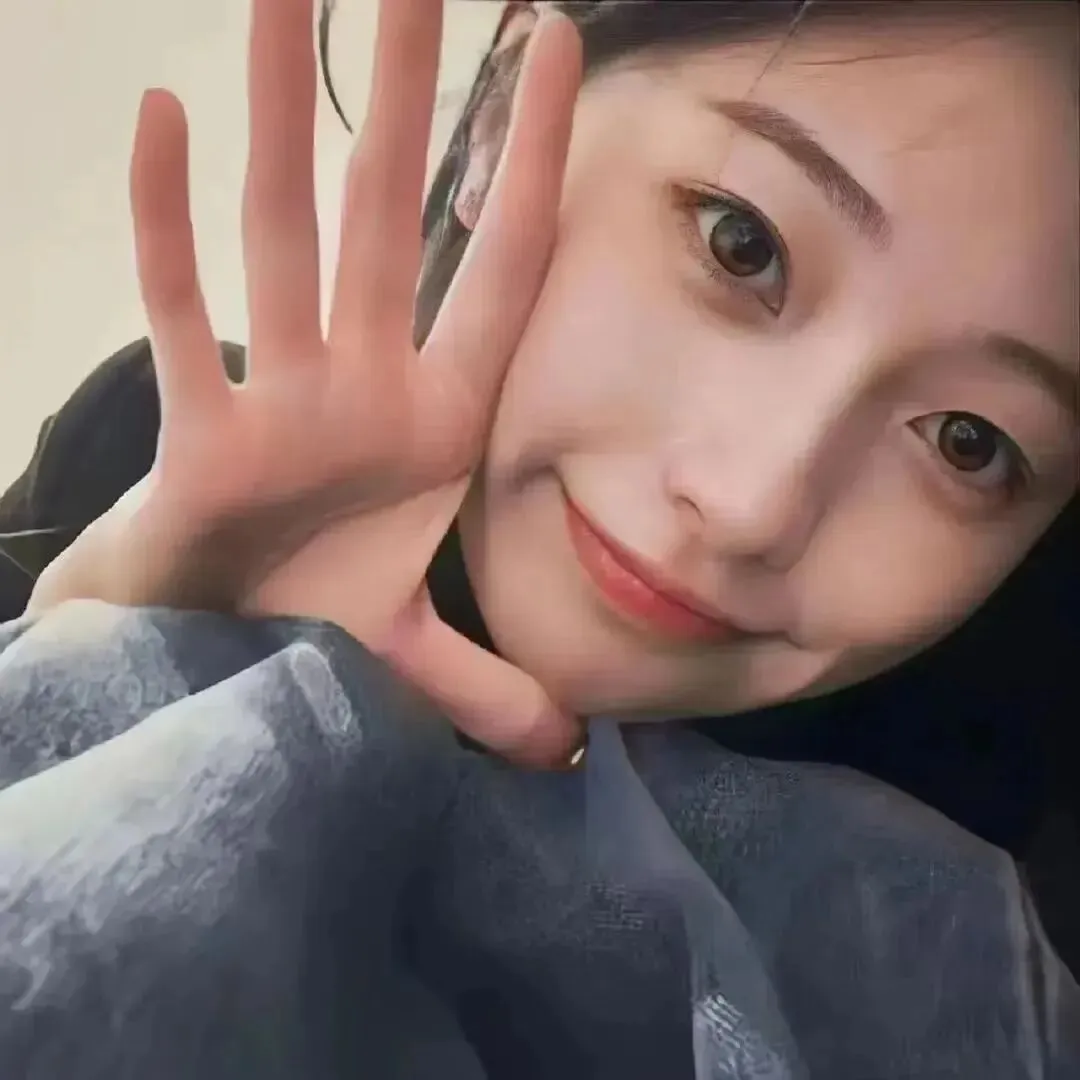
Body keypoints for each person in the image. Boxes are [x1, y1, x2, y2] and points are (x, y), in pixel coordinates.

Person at [0, 1, 1077, 1076]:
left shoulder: (1005, 905)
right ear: (502, 118)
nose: (750, 505)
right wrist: (113, 669)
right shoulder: (139, 460)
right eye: (740, 245)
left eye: (970, 443)